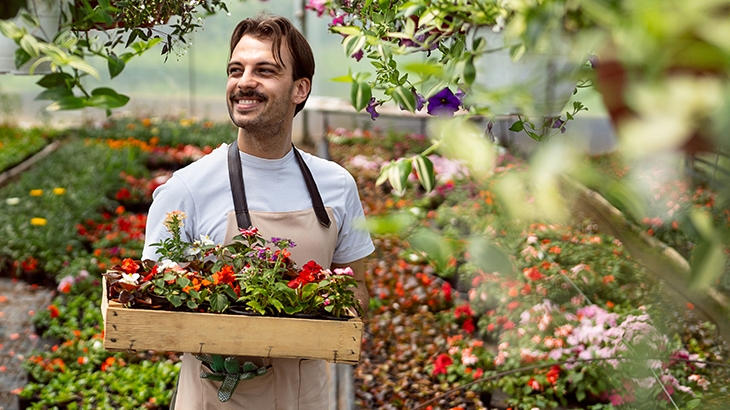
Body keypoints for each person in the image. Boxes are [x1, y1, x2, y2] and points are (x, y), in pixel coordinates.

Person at [141, 13, 375, 410]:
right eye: (236, 69)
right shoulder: (187, 189)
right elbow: (153, 309)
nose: (244, 82)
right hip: (215, 401)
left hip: (309, 400)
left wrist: (321, 312)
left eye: (264, 70)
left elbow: (359, 290)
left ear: (300, 89)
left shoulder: (336, 185)